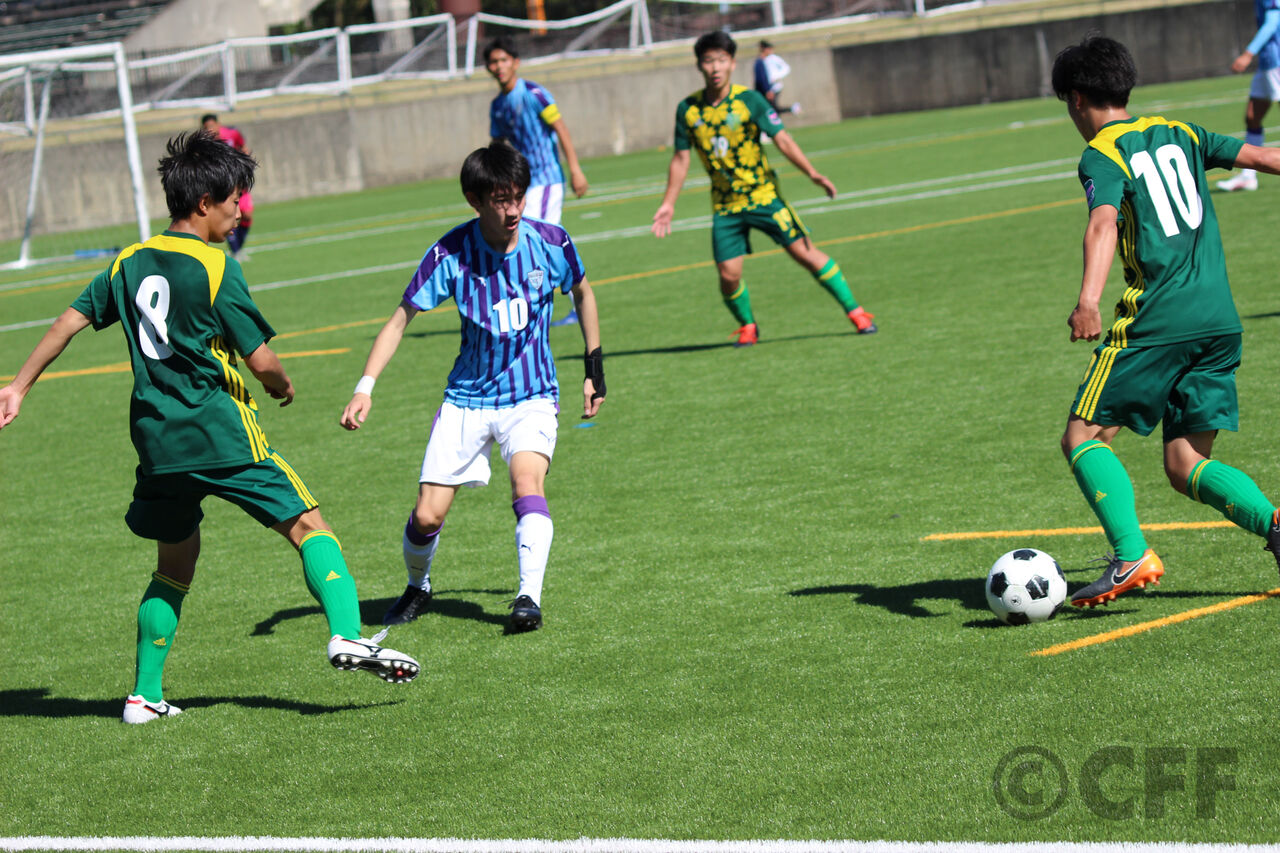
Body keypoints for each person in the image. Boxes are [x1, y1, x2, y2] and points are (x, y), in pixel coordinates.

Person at [0, 131, 420, 724]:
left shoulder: (127, 261)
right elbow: (260, 359)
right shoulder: (217, 266)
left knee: (175, 562)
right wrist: (281, 385)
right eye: (234, 199)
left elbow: (68, 322)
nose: (241, 210)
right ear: (204, 203)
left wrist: (18, 386)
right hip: (220, 432)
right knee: (308, 524)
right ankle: (348, 633)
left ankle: (143, 697)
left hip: (157, 442)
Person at [340, 139, 605, 634]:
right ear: (475, 200)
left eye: (518, 197)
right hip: (467, 399)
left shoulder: (551, 242)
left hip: (532, 395)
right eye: (501, 200)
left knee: (527, 484)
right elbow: (399, 320)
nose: (513, 210)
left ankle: (528, 598)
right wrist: (364, 387)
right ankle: (418, 586)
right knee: (426, 517)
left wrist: (594, 368)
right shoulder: (450, 254)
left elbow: (583, 293)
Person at [1052, 35, 1280, 608]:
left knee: (1082, 436)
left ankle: (1131, 555)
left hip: (1159, 319)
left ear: (1076, 98)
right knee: (1185, 464)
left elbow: (1103, 223)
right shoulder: (1183, 131)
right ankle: (1277, 528)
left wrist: (1088, 300)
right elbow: (1264, 158)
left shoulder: (1102, 152)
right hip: (1219, 321)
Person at [650, 30, 875, 346]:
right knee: (728, 275)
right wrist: (669, 203)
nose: (715, 68)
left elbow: (782, 139)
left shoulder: (749, 101)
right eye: (708, 61)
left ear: (732, 63)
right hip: (726, 206)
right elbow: (680, 159)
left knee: (805, 254)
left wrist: (812, 173)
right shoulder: (688, 109)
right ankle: (748, 326)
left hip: (764, 197)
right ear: (699, 66)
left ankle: (857, 312)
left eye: (721, 60)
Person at [484, 36, 588, 328]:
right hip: (523, 184)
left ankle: (556, 302)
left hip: (547, 180)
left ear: (515, 63)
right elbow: (497, 144)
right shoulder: (498, 105)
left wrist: (575, 169)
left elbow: (560, 128)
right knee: (537, 241)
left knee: (538, 240)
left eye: (503, 60)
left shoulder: (534, 93)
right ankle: (544, 304)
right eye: (493, 62)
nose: (498, 66)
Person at [1217, 0, 1280, 192]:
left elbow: (1272, 22)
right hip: (1267, 64)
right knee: (1252, 117)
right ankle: (1248, 177)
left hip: (1277, 62)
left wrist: (1248, 54)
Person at [201, 113, 255, 255]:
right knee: (229, 217)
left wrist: (246, 162)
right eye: (206, 128)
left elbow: (244, 148)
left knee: (247, 215)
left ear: (218, 124)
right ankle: (236, 251)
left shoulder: (232, 133)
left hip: (239, 183)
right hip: (223, 187)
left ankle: (238, 248)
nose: (210, 130)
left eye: (212, 126)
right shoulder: (205, 144)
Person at [753, 40, 800, 115]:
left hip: (772, 87)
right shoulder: (761, 61)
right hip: (765, 89)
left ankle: (791, 109)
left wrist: (775, 77)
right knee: (770, 109)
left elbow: (786, 68)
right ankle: (791, 109)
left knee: (772, 109)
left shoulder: (773, 58)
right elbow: (761, 78)